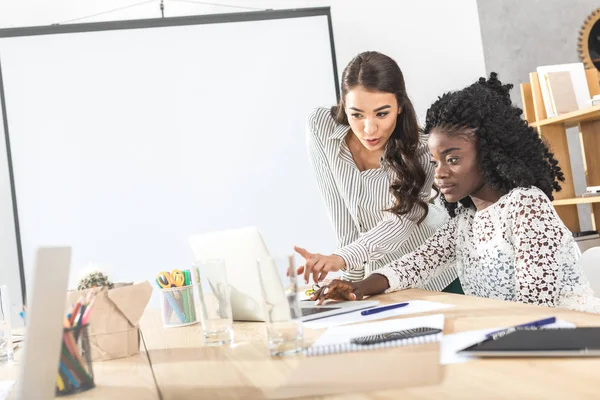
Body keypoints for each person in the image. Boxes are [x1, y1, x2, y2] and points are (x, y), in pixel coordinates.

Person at [310, 72, 600, 313]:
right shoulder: (466, 220)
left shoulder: (526, 206)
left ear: (489, 153)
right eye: (436, 162)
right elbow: (413, 265)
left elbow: (536, 309)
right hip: (522, 343)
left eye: (453, 159)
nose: (439, 173)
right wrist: (356, 287)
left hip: (573, 344)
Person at [295, 51, 461, 295]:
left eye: (382, 113)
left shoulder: (424, 150)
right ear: (344, 104)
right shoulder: (321, 126)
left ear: (400, 106)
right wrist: (346, 282)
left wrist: (340, 259)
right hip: (376, 285)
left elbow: (400, 223)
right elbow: (339, 212)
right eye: (357, 114)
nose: (369, 129)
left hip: (437, 280)